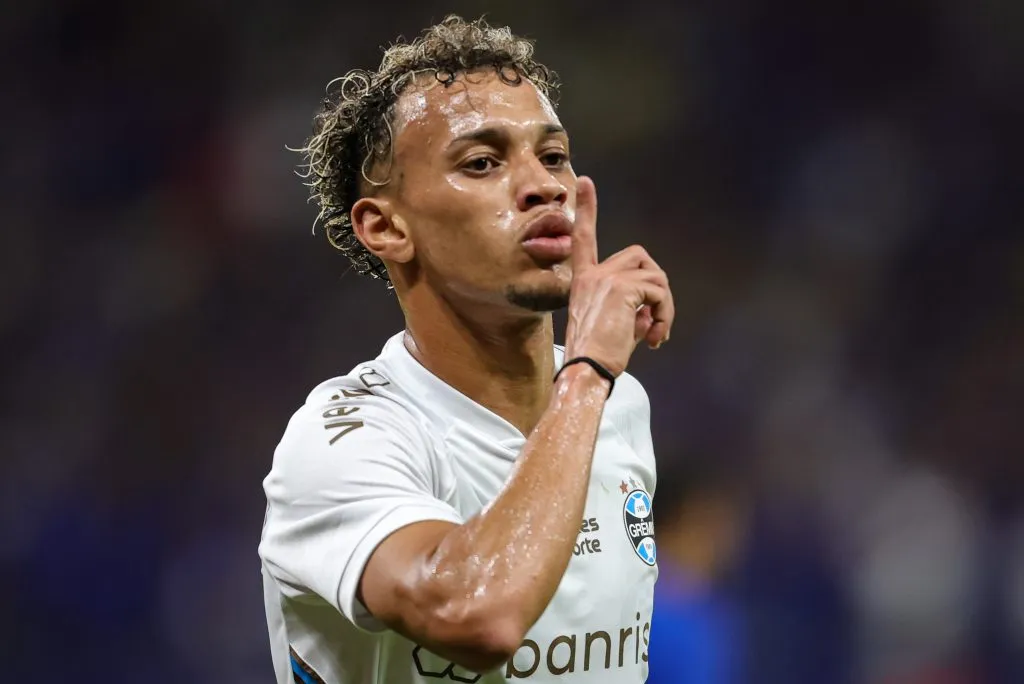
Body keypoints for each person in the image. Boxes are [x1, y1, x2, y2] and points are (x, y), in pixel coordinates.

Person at [258, 16, 674, 684]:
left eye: (554, 156)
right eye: (481, 163)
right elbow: (478, 617)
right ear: (386, 226)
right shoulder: (344, 441)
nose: (544, 186)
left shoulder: (619, 404)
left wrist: (591, 381)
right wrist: (588, 374)